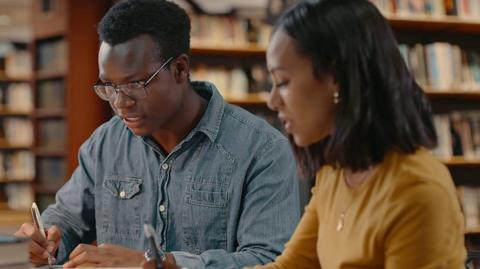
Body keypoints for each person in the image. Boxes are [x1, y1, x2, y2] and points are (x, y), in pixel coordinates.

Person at [14, 0, 300, 268]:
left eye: (135, 84)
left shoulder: (263, 150)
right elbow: (67, 217)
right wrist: (46, 240)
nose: (120, 103)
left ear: (179, 69)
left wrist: (159, 264)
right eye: (109, 87)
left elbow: (269, 260)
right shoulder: (105, 143)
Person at [250, 0, 467, 268]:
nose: (272, 101)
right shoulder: (335, 173)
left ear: (337, 77)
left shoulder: (417, 192)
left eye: (282, 82)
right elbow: (291, 265)